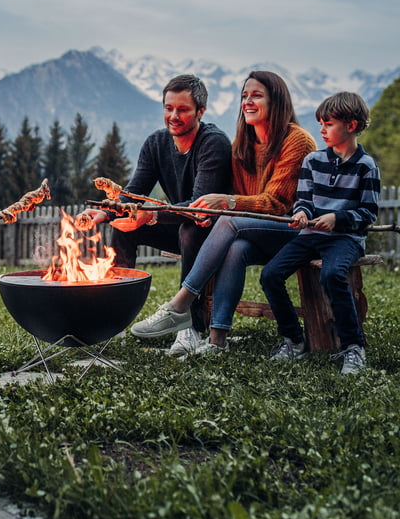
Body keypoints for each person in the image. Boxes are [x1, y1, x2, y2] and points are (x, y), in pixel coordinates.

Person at [131, 70, 317, 355]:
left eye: (256, 95)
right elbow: (239, 199)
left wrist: (228, 204)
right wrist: (213, 210)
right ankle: (218, 340)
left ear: (277, 101)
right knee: (235, 248)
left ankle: (181, 303)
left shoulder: (297, 141)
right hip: (254, 232)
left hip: (293, 231)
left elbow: (278, 204)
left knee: (230, 222)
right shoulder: (243, 144)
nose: (248, 102)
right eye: (244, 96)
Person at [79, 74, 232, 351]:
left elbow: (199, 206)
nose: (173, 115)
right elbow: (134, 192)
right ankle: (117, 318)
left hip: (216, 231)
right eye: (168, 108)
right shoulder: (156, 144)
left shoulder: (213, 143)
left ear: (201, 111)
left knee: (190, 227)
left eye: (183, 109)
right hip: (178, 222)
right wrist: (106, 213)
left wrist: (150, 215)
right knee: (125, 225)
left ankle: (191, 327)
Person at [260, 92, 380, 374]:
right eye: (320, 123)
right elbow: (304, 201)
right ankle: (293, 340)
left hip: (346, 239)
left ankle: (353, 347)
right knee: (270, 275)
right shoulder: (313, 161)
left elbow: (368, 214)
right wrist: (302, 213)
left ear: (350, 126)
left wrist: (337, 219)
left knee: (332, 274)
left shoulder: (366, 166)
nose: (322, 130)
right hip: (310, 237)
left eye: (328, 124)